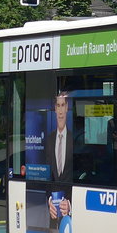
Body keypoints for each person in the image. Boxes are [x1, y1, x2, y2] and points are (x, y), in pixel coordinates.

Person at [45, 90, 74, 224]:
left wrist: (70, 202)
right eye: (58, 106)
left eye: (63, 105)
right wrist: (50, 201)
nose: (61, 111)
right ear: (55, 109)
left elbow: (80, 175)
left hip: (70, 213)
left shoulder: (74, 140)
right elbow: (47, 175)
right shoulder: (49, 140)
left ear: (67, 108)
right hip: (53, 214)